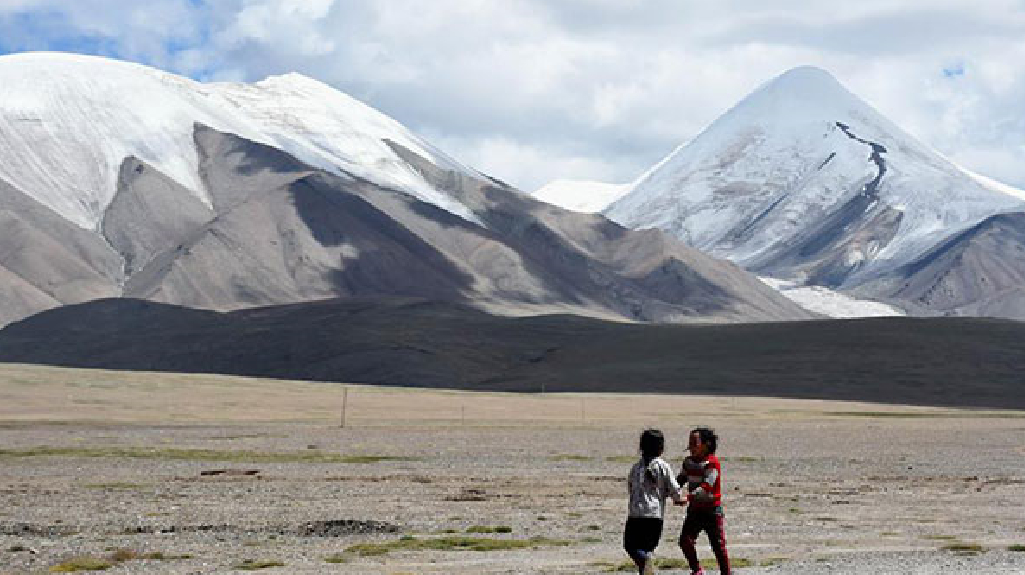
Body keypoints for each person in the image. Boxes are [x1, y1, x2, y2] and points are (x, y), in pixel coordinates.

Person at [624, 428, 685, 575]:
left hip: (635, 514)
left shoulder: (636, 467)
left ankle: (644, 562)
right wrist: (679, 499)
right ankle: (646, 562)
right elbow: (673, 487)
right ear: (661, 448)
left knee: (631, 546)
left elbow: (630, 488)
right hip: (654, 515)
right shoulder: (662, 466)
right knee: (647, 548)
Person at [677, 427, 730, 575]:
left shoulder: (712, 463)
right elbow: (680, 479)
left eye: (695, 443)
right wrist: (669, 490)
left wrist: (687, 497)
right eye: (690, 443)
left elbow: (706, 487)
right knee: (685, 541)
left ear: (706, 444)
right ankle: (697, 570)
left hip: (712, 511)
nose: (691, 447)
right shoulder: (688, 462)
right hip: (695, 510)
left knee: (718, 546)